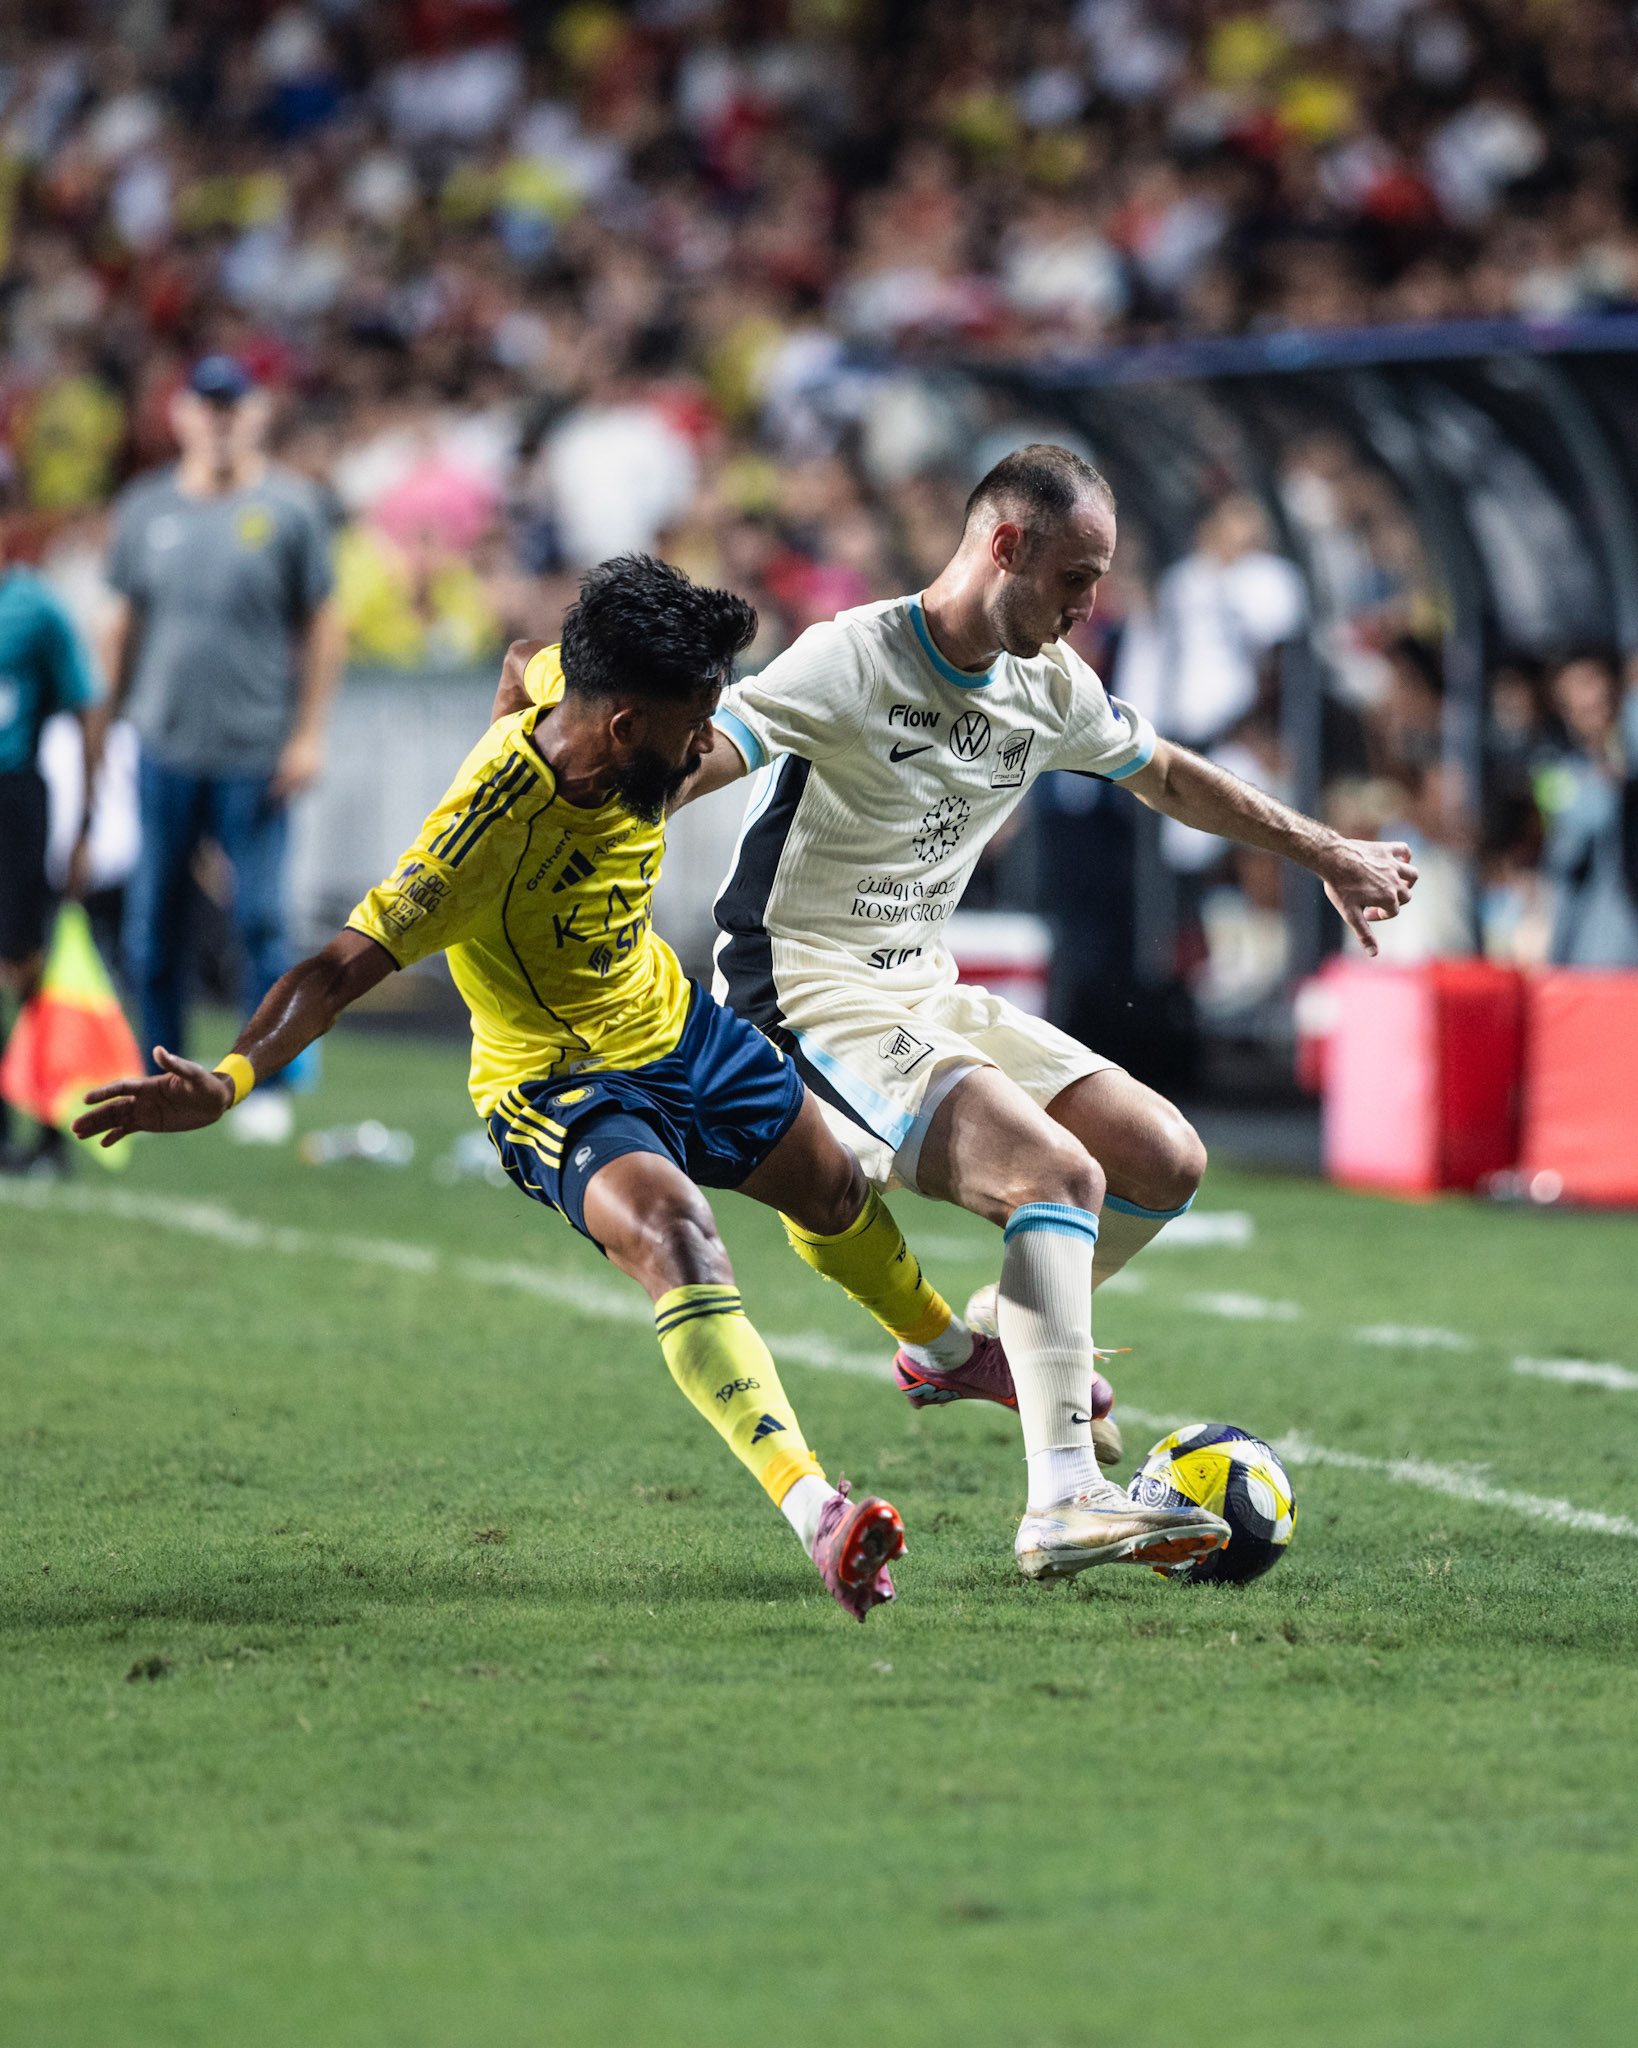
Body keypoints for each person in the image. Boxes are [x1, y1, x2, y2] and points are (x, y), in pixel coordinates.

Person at [74, 555, 1233, 1612]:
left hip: (678, 1027)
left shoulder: (587, 700)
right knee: (679, 1236)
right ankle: (820, 1513)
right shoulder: (482, 835)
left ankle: (942, 1351)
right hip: (558, 1082)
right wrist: (232, 1076)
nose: (708, 746)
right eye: (695, 726)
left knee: (835, 1191)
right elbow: (336, 967)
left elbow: (524, 660)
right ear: (628, 722)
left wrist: (524, 685)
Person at [501, 447, 1415, 1579]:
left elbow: (1169, 774)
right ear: (1005, 546)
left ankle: (1002, 1322)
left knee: (1163, 1158)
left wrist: (1327, 852)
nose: (1089, 606)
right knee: (1055, 1176)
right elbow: (701, 758)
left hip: (922, 984)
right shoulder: (853, 656)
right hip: (804, 985)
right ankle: (1063, 1501)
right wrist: (558, 789)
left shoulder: (1051, 683)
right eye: (1076, 578)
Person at [101, 354, 345, 1145]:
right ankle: (160, 1072)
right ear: (180, 415)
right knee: (153, 926)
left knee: (260, 919)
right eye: (205, 404)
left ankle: (266, 1078)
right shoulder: (145, 508)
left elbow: (324, 623)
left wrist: (308, 732)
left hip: (255, 748)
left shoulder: (290, 507)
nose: (218, 418)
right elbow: (123, 625)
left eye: (231, 404)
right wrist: (111, 724)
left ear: (257, 413)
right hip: (163, 743)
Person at [0, 547, 102, 1173]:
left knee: (23, 963)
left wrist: (86, 821)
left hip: (13, 795)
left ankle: (46, 1129)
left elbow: (88, 702)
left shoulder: (34, 608)